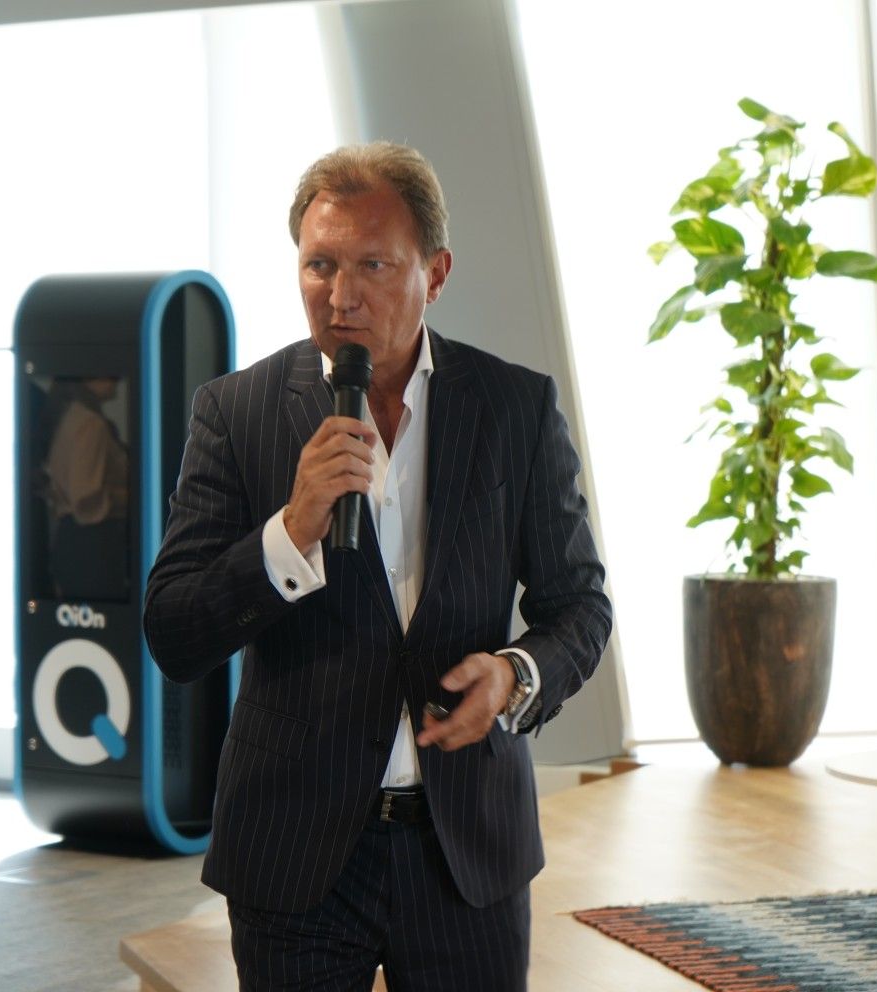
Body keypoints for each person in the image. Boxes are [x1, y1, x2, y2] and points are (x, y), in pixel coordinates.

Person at [143, 142, 611, 990]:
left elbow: (579, 606)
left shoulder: (514, 407)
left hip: (466, 852)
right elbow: (174, 633)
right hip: (294, 852)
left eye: (373, 265)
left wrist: (515, 675)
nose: (341, 295)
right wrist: (291, 531)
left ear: (436, 272)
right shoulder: (235, 413)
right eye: (319, 264)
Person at [38, 377, 129, 601]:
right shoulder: (90, 424)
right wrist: (134, 499)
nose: (116, 378)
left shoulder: (72, 417)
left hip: (76, 540)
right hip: (91, 544)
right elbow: (86, 500)